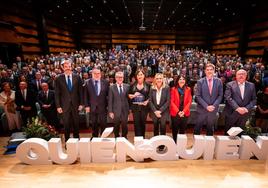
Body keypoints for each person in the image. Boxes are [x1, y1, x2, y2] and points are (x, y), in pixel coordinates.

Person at [55, 59, 83, 142]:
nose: (68, 68)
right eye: (66, 67)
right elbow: (57, 94)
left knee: (76, 123)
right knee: (66, 124)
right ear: (63, 68)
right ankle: (67, 140)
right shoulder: (58, 78)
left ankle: (76, 139)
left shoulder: (77, 77)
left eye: (69, 66)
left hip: (75, 104)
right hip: (64, 105)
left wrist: (81, 104)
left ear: (72, 67)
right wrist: (58, 106)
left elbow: (80, 91)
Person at [224, 69, 257, 134]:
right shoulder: (230, 84)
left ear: (246, 76)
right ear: (236, 76)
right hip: (232, 112)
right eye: (239, 74)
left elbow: (254, 100)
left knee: (240, 132)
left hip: (244, 113)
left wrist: (246, 108)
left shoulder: (251, 85)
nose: (241, 75)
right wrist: (237, 108)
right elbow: (228, 98)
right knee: (228, 132)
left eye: (243, 74)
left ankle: (238, 144)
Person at [194, 63, 223, 136]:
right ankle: (196, 145)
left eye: (211, 69)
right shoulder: (200, 81)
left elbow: (220, 95)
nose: (209, 71)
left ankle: (209, 145)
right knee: (197, 127)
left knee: (210, 128)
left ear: (214, 71)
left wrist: (213, 106)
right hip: (202, 109)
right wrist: (207, 106)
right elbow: (198, 96)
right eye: (207, 70)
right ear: (205, 71)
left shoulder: (219, 81)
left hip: (213, 109)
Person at [84, 68, 109, 137]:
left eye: (98, 73)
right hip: (92, 107)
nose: (97, 75)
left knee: (103, 123)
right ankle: (95, 137)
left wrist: (108, 106)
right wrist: (86, 106)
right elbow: (85, 95)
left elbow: (108, 95)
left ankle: (103, 137)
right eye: (95, 73)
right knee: (94, 124)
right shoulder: (87, 82)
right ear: (92, 74)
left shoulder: (106, 82)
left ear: (100, 74)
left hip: (103, 107)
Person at [129, 69, 150, 137]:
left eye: (141, 74)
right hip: (135, 108)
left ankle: (142, 138)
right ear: (136, 76)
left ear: (144, 76)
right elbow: (129, 95)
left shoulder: (148, 85)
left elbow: (151, 96)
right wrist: (131, 96)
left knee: (143, 124)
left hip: (144, 108)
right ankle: (137, 139)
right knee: (136, 124)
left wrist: (147, 101)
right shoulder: (132, 85)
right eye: (138, 75)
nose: (140, 76)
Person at [170, 75, 192, 142]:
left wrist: (183, 112)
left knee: (182, 130)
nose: (182, 80)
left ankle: (180, 144)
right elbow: (171, 101)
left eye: (183, 79)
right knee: (175, 130)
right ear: (177, 81)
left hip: (185, 113)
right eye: (180, 79)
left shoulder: (188, 89)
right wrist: (178, 112)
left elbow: (189, 101)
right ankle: (175, 143)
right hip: (175, 112)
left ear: (185, 81)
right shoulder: (173, 89)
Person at [108, 71, 130, 138]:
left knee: (125, 125)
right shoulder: (111, 87)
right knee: (116, 125)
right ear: (115, 78)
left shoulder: (127, 86)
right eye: (118, 77)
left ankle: (124, 137)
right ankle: (116, 137)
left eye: (121, 77)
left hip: (125, 110)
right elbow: (110, 100)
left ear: (123, 78)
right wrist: (110, 111)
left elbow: (129, 99)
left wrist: (129, 110)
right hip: (115, 110)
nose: (120, 78)